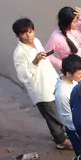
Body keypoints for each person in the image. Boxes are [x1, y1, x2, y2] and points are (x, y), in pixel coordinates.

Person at [12, 17, 71, 150]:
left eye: (31, 31)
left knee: (60, 111)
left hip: (53, 81)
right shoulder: (19, 54)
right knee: (53, 117)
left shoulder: (36, 41)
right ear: (18, 35)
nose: (29, 35)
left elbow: (46, 62)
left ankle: (60, 134)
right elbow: (22, 77)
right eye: (24, 33)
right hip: (41, 90)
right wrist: (35, 62)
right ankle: (61, 141)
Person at [45, 6, 81, 79]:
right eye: (74, 22)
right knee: (78, 89)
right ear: (66, 23)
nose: (77, 23)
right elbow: (46, 54)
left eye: (77, 20)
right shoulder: (55, 38)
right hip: (72, 72)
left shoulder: (77, 26)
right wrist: (62, 64)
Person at [55, 54, 81, 155]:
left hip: (80, 121)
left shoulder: (72, 82)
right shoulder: (62, 93)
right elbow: (67, 118)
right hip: (76, 129)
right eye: (80, 73)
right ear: (68, 73)